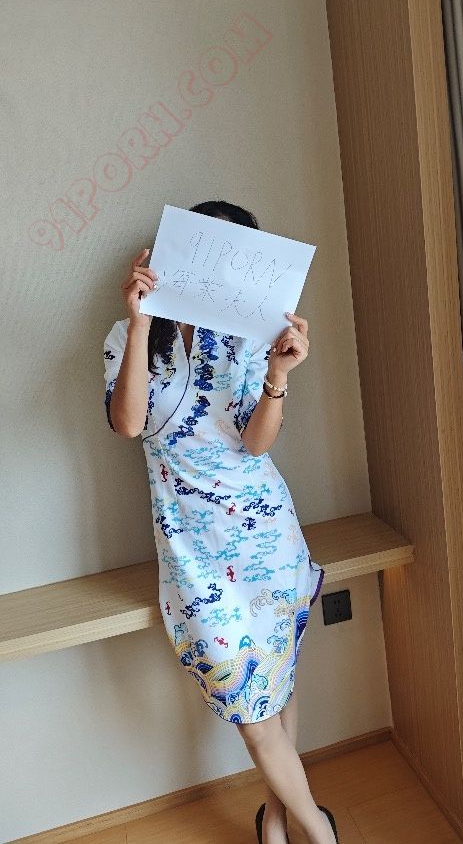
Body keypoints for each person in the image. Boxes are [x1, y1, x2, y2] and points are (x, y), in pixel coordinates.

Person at [103, 200, 338, 844]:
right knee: (249, 702)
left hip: (266, 535)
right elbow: (128, 424)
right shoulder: (127, 335)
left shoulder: (251, 335)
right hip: (192, 549)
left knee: (275, 679)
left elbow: (257, 443)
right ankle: (320, 828)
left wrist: (279, 374)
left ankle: (279, 821)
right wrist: (139, 321)